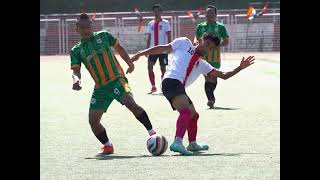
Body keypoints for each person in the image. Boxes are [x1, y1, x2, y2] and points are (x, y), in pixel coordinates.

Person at [131, 33, 254, 155]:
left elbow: (224, 76)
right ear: (200, 40)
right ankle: (177, 142)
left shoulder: (202, 65)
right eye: (207, 44)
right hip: (170, 81)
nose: (207, 49)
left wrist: (240, 67)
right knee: (186, 111)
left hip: (178, 87)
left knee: (193, 115)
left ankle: (192, 144)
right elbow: (163, 48)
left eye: (211, 49)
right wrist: (140, 53)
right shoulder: (184, 43)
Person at [70, 13, 156, 156]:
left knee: (130, 102)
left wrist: (129, 63)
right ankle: (108, 146)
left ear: (92, 26)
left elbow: (119, 48)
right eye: (82, 27)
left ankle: (152, 133)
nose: (85, 30)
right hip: (100, 88)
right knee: (93, 121)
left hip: (117, 79)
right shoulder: (76, 50)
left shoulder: (103, 36)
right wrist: (76, 80)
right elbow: (76, 71)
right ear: (76, 29)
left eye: (87, 26)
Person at [196, 5, 230, 108]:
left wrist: (218, 46)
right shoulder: (200, 27)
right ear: (205, 14)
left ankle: (211, 96)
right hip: (203, 57)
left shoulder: (221, 27)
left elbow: (226, 40)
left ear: (215, 14)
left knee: (214, 78)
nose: (209, 14)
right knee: (207, 77)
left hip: (215, 58)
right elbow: (197, 39)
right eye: (207, 13)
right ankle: (210, 99)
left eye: (212, 13)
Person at [146, 4, 172, 93]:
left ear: (161, 12)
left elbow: (169, 35)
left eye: (158, 11)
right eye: (155, 11)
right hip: (153, 50)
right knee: (149, 66)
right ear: (153, 12)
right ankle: (153, 86)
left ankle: (163, 87)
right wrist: (146, 49)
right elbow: (149, 37)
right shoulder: (150, 23)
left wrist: (169, 46)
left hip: (163, 50)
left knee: (163, 69)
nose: (156, 13)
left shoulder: (165, 23)